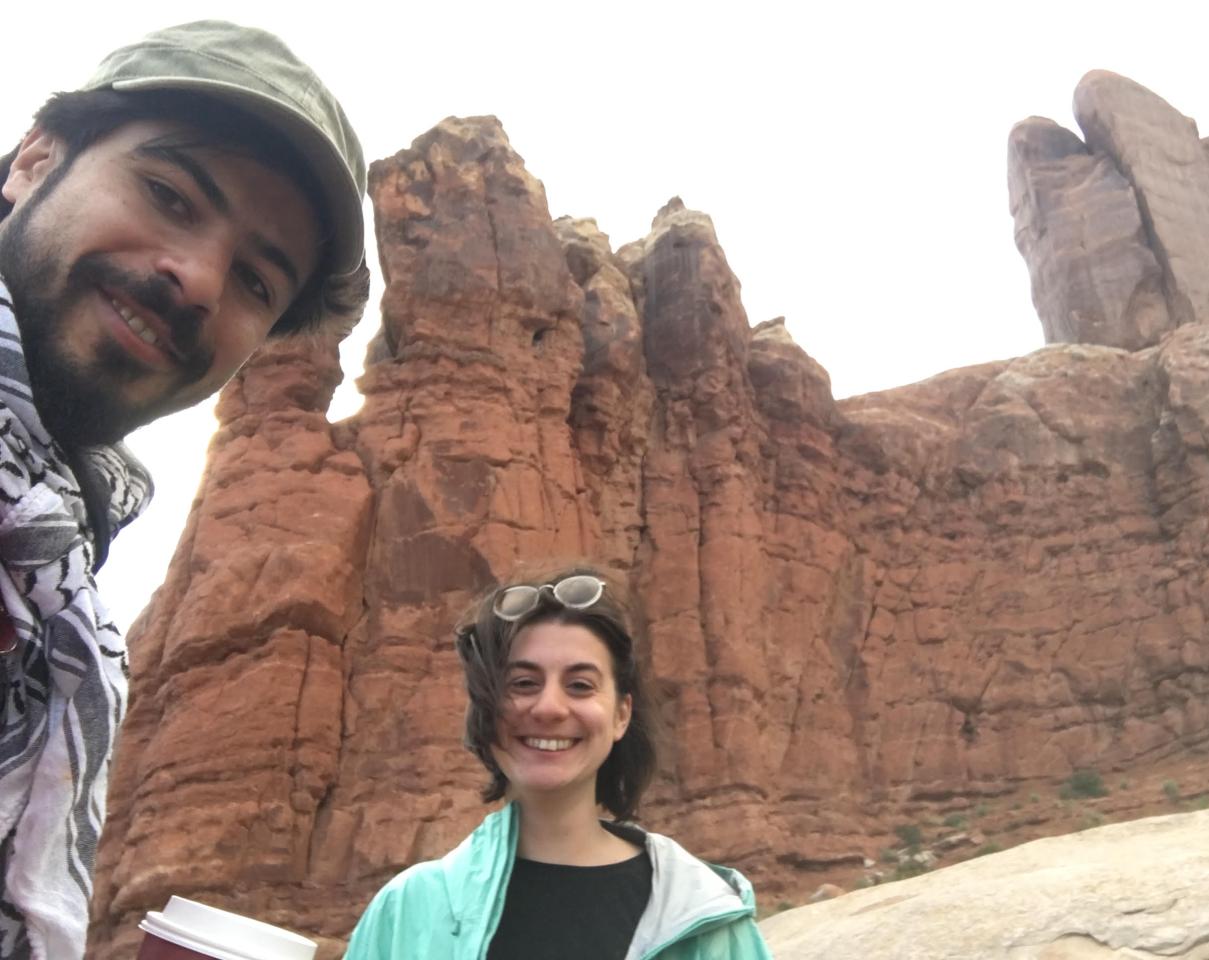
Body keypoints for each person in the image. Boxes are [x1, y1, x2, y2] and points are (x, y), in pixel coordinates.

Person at [0, 21, 368, 957]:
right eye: (168, 194)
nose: (198, 280)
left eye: (255, 279)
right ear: (36, 158)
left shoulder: (64, 558)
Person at [345, 569, 773, 959]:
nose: (549, 707)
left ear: (622, 715)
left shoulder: (704, 919)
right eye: (523, 683)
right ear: (488, 709)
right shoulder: (409, 911)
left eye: (580, 685)